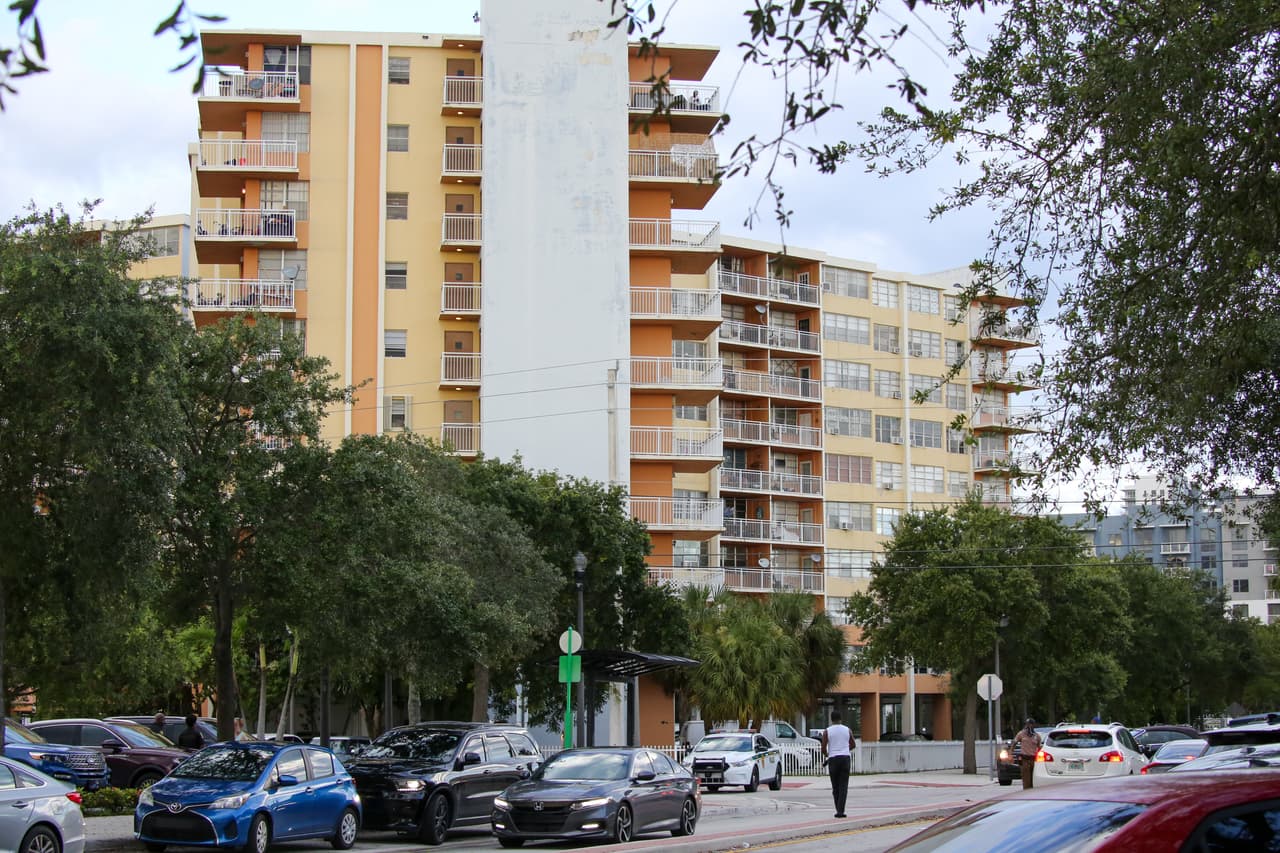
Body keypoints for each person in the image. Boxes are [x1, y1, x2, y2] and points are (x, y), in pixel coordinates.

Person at [821, 711, 853, 818]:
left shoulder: (827, 731)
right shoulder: (847, 730)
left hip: (833, 759)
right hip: (845, 759)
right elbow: (853, 744)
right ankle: (841, 810)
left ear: (831, 719)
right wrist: (845, 749)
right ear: (841, 718)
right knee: (843, 786)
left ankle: (838, 810)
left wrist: (828, 754)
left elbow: (823, 748)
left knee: (835, 787)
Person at [1013, 718, 1043, 789]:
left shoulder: (1037, 736)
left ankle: (1032, 791)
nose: (1029, 726)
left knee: (1033, 778)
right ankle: (1026, 791)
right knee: (1026, 778)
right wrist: (1010, 752)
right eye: (1027, 724)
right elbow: (1014, 742)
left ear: (1034, 725)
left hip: (1033, 759)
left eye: (1031, 724)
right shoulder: (1021, 734)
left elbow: (1039, 747)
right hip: (1025, 759)